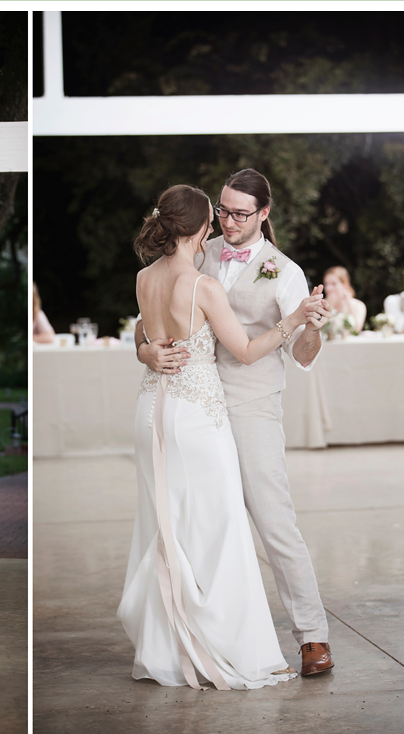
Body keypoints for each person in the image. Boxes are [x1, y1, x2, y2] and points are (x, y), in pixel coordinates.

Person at [120, 185, 324, 690]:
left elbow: (303, 352)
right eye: (223, 213)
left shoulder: (286, 270)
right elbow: (145, 330)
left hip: (248, 407)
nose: (229, 222)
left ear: (264, 214)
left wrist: (308, 323)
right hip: (196, 407)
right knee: (194, 525)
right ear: (206, 222)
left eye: (240, 214)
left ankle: (312, 635)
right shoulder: (195, 251)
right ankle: (210, 634)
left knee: (273, 522)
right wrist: (146, 352)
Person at [322, 266, 367, 333]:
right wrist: (330, 307)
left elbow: (357, 330)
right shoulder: (321, 305)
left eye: (334, 284)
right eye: (326, 284)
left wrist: (348, 304)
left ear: (345, 284)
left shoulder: (358, 305)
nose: (328, 288)